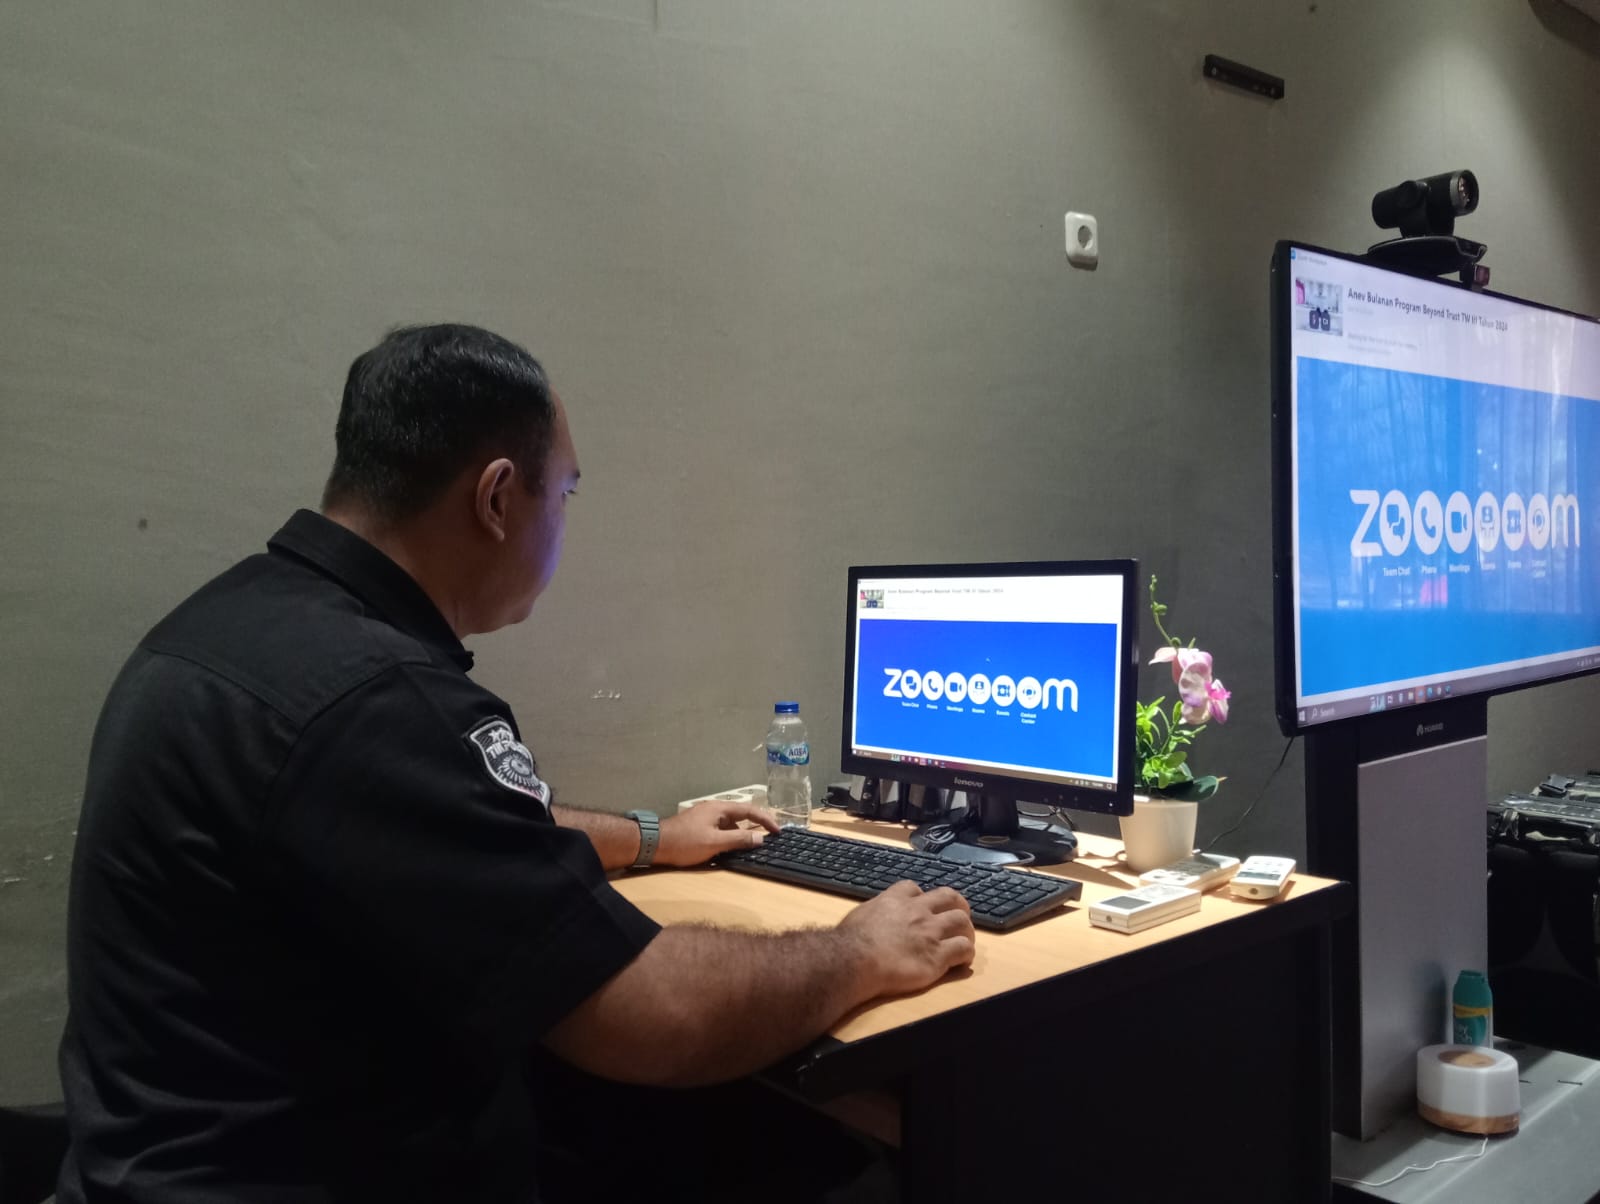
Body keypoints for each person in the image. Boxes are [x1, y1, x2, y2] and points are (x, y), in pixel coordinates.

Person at [57, 324, 975, 1203]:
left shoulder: (237, 628)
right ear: (497, 499)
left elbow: (449, 829)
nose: (564, 522)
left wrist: (655, 836)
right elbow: (656, 1016)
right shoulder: (378, 702)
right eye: (564, 494)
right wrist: (858, 951)